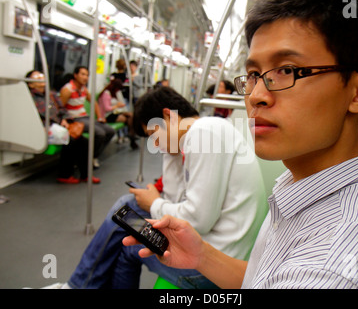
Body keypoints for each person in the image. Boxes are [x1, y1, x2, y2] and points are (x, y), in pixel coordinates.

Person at [124, 0, 358, 289]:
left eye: (287, 70)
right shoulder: (301, 189)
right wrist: (202, 256)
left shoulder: (333, 267)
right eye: (253, 74)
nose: (256, 96)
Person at [49, 86, 267, 289]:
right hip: (216, 251)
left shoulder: (205, 132)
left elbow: (196, 221)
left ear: (168, 116)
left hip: (217, 266)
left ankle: (76, 286)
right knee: (126, 234)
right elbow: (174, 199)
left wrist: (153, 203)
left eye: (153, 134)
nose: (154, 143)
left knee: (126, 210)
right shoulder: (197, 135)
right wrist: (169, 153)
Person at [26, 70, 100, 184]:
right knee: (71, 141)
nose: (41, 79)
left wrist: (65, 119)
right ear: (30, 83)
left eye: (42, 76)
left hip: (59, 125)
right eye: (37, 78)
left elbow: (62, 109)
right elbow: (31, 115)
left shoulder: (51, 94)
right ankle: (64, 174)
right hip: (45, 127)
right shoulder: (29, 97)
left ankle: (86, 174)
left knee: (84, 141)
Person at [59, 66, 115, 168]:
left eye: (87, 75)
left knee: (110, 131)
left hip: (84, 117)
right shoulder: (68, 89)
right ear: (75, 75)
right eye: (83, 74)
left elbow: (94, 103)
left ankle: (92, 156)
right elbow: (60, 107)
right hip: (74, 119)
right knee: (100, 133)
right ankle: (86, 159)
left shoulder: (83, 89)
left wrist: (100, 116)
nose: (85, 77)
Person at [98, 79, 138, 149]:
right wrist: (117, 106)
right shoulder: (106, 94)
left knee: (131, 116)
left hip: (113, 113)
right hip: (107, 116)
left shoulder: (112, 94)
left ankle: (131, 135)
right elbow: (107, 108)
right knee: (128, 119)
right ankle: (131, 135)